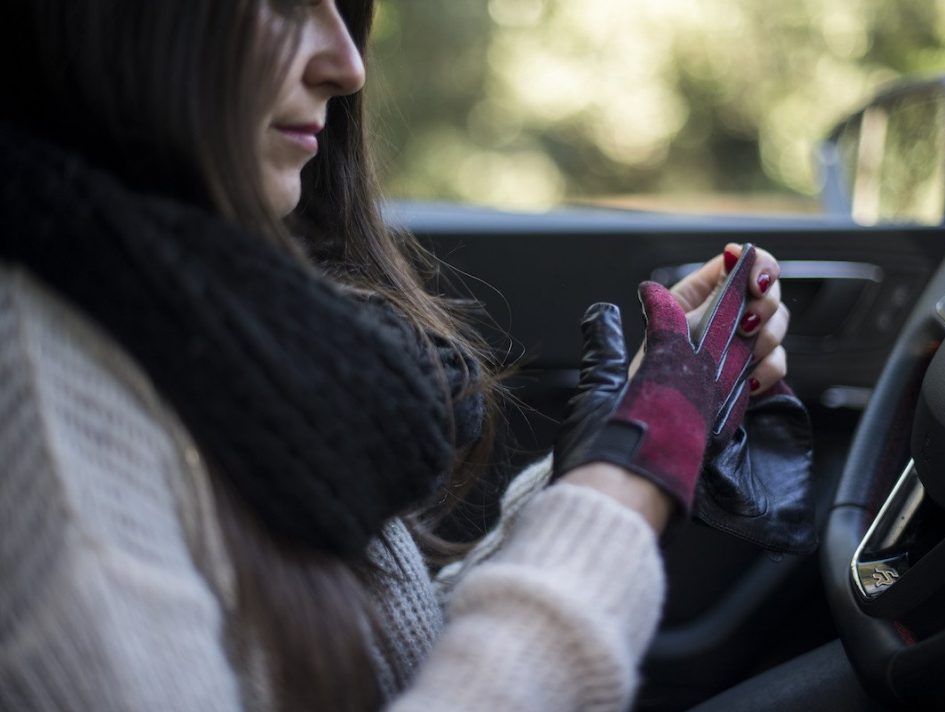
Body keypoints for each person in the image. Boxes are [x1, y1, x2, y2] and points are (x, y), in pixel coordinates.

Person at [0, 1, 790, 710]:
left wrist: (614, 454)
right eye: (283, 4)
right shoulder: (36, 400)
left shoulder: (207, 315)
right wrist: (622, 495)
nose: (347, 65)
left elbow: (382, 669)